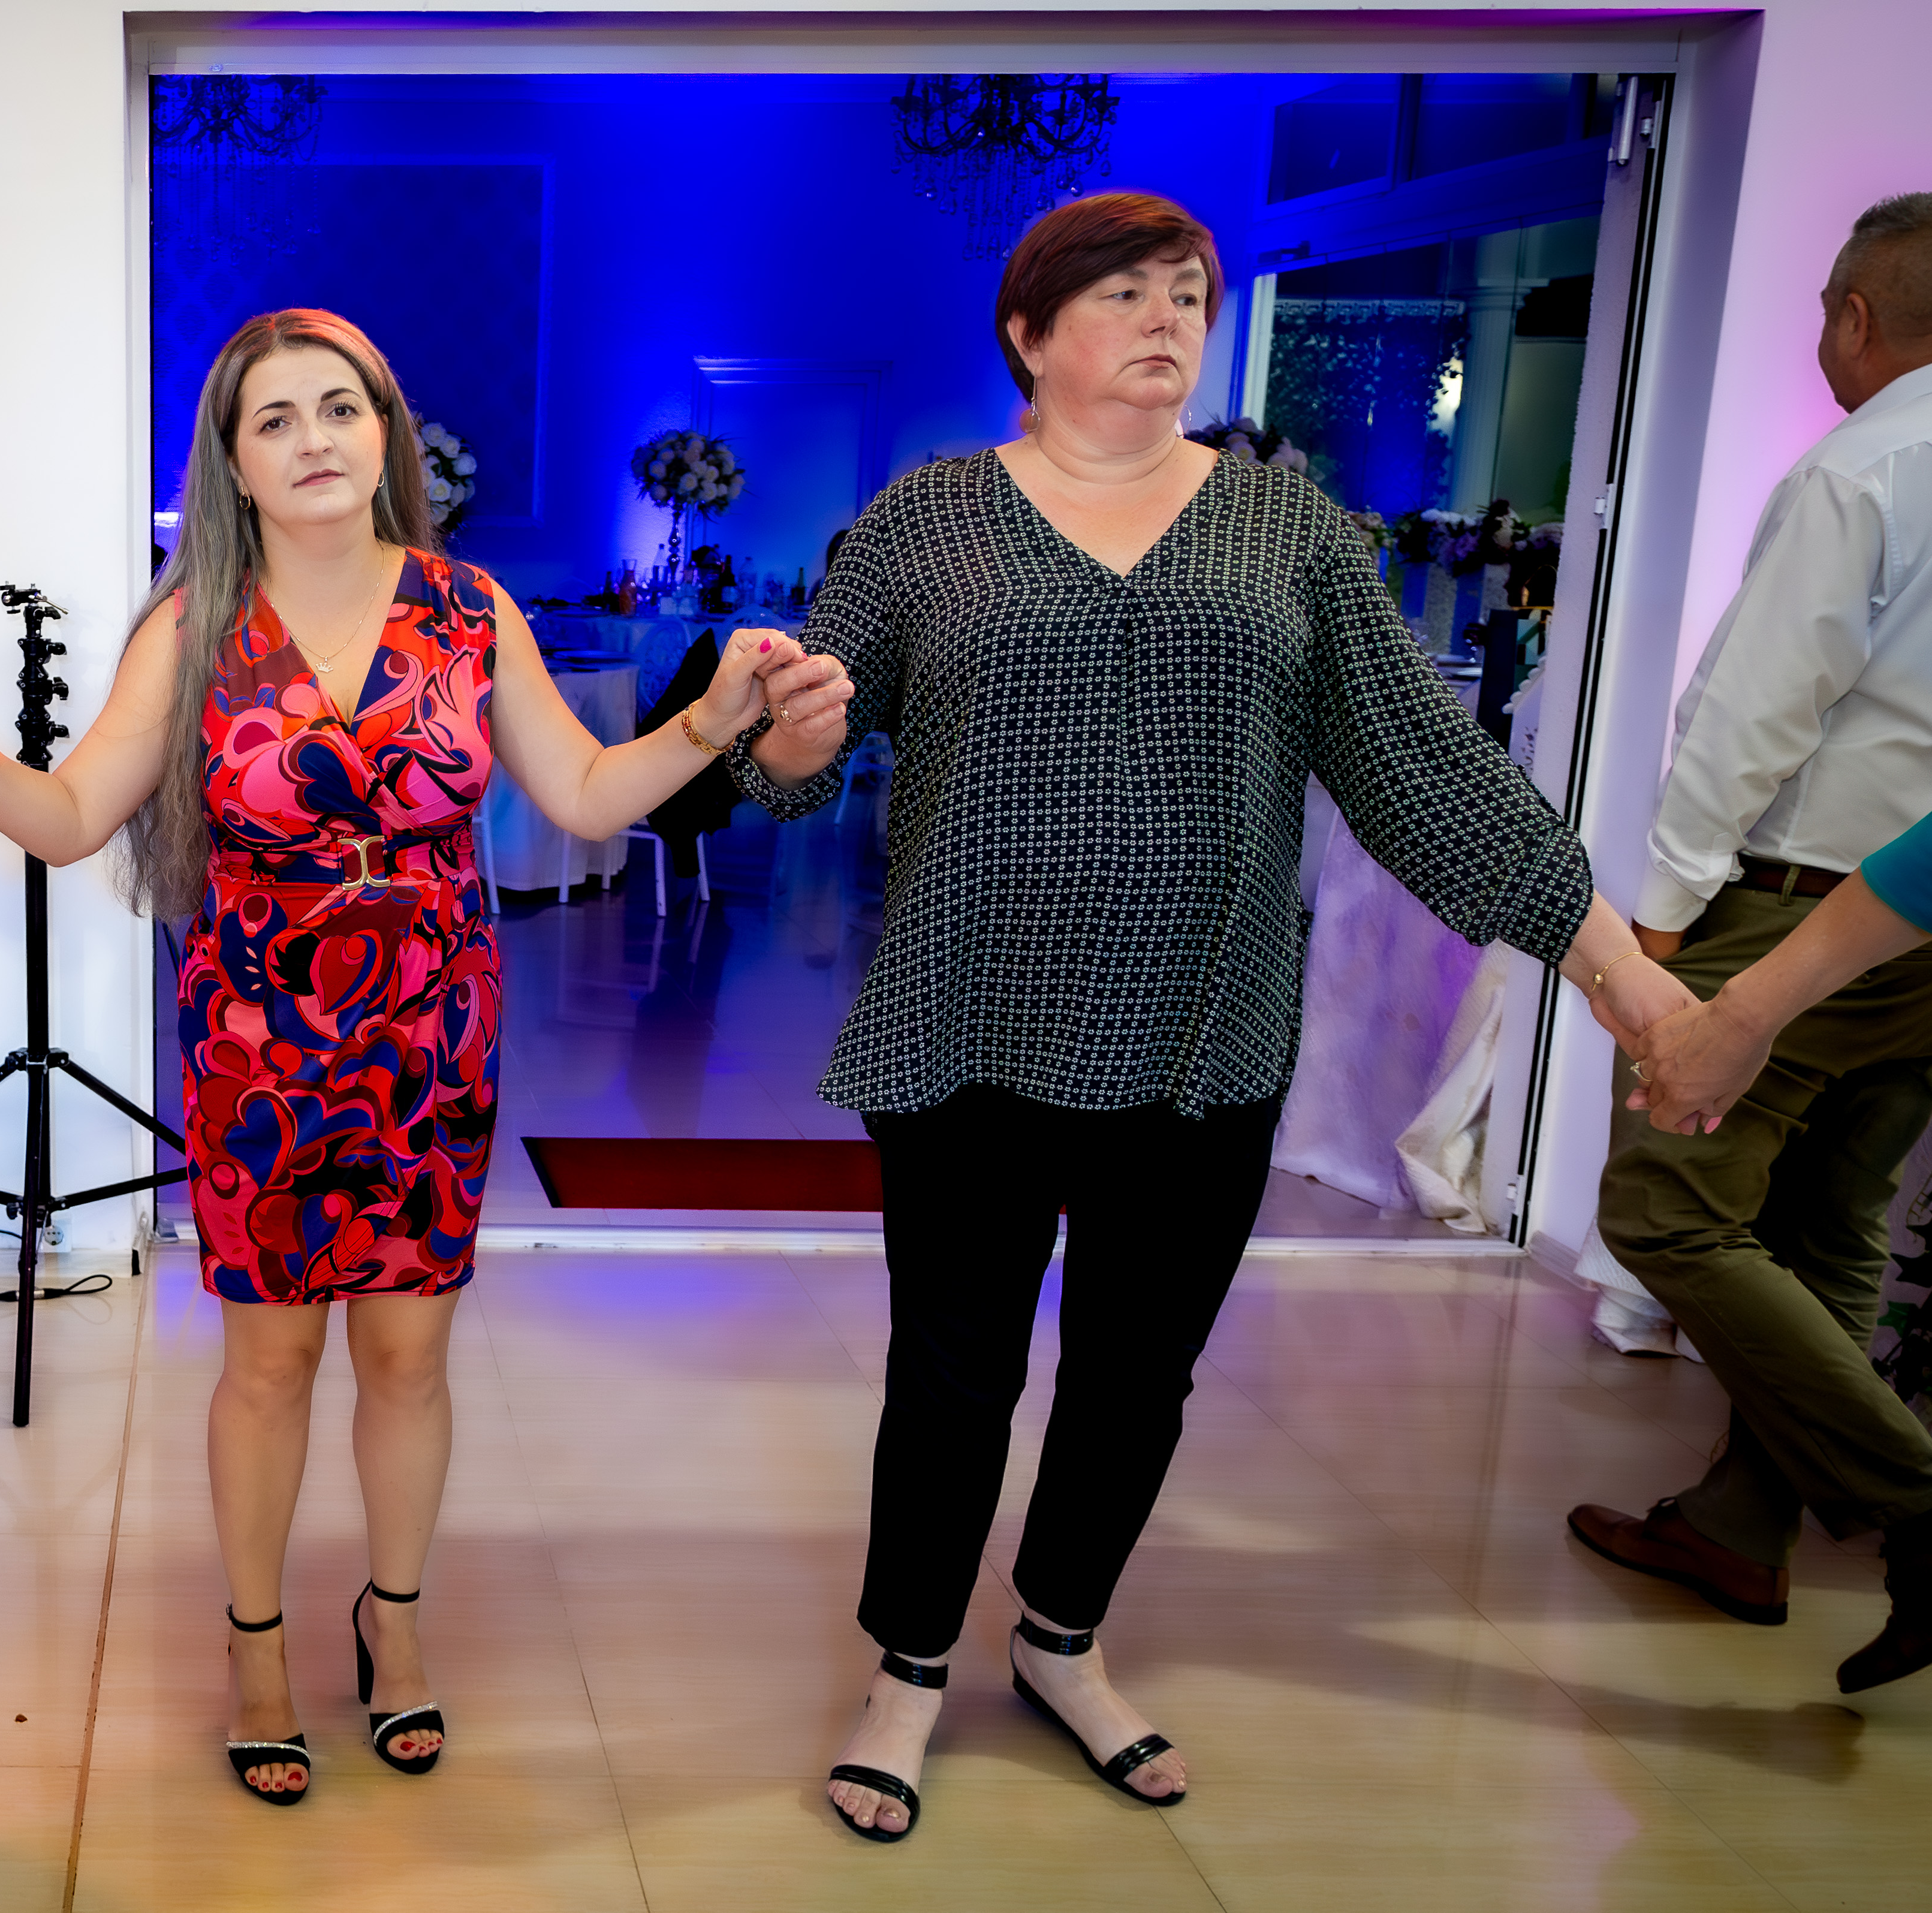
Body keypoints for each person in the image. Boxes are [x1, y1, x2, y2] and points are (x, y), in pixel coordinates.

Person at [716, 193, 1695, 1842]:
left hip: (1202, 1032)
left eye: (1186, 293)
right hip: (965, 1019)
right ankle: (906, 1664)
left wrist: (1620, 970)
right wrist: (792, 740)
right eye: (1121, 294)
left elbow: (1421, 772)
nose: (1165, 318)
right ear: (1028, 333)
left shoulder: (1285, 528)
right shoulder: (924, 519)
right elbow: (796, 761)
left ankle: (1061, 1637)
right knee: (951, 1374)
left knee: (1134, 1372)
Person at [0, 308, 831, 1805]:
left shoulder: (466, 606)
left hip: (430, 1028)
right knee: (269, 1357)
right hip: (257, 1038)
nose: (313, 439)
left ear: (385, 435)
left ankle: (393, 1617)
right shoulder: (191, 627)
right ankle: (255, 1644)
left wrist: (710, 717)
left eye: (339, 407)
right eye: (275, 419)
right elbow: (72, 816)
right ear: (232, 464)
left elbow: (581, 793)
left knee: (408, 1352)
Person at [1568, 190, 1932, 1693]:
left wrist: (1656, 919)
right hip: (1917, 918)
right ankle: (1737, 1525)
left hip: (1801, 900)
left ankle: (1914, 1500)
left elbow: (1750, 713)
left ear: (1853, 313)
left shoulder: (1864, 463)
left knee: (1662, 1206)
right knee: (1831, 1220)